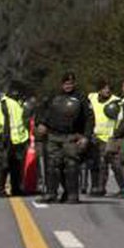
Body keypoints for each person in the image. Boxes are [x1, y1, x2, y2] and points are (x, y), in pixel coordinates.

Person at [39, 72, 94, 204]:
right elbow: (43, 111)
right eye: (66, 83)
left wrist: (86, 136)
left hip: (72, 136)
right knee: (52, 165)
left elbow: (89, 119)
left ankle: (72, 194)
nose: (68, 86)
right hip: (53, 135)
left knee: (71, 165)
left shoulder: (81, 98)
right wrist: (41, 123)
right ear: (61, 84)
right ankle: (51, 193)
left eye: (70, 83)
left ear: (74, 83)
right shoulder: (53, 96)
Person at [1, 85, 31, 196]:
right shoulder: (4, 103)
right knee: (5, 165)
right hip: (9, 139)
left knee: (16, 167)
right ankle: (1, 188)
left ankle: (16, 188)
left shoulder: (16, 103)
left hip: (18, 139)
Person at [86, 79, 115, 195]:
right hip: (94, 135)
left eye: (108, 88)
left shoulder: (115, 101)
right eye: (104, 88)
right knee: (93, 163)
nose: (107, 90)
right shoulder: (91, 98)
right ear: (99, 89)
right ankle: (94, 186)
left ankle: (101, 187)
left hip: (108, 136)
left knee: (103, 163)